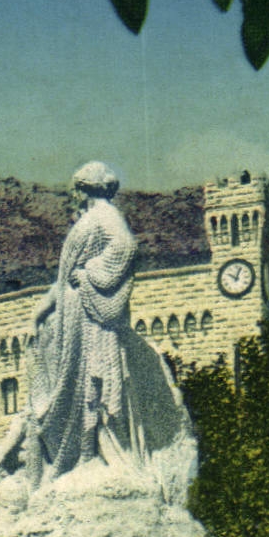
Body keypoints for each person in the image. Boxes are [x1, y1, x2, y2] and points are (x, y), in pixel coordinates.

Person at [23, 160, 188, 497]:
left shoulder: (104, 215)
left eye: (77, 187)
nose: (73, 193)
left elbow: (126, 247)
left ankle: (91, 453)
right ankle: (80, 455)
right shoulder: (90, 219)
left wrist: (90, 276)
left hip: (91, 319)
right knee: (77, 383)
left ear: (86, 188)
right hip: (75, 317)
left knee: (93, 382)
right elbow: (63, 276)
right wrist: (38, 314)